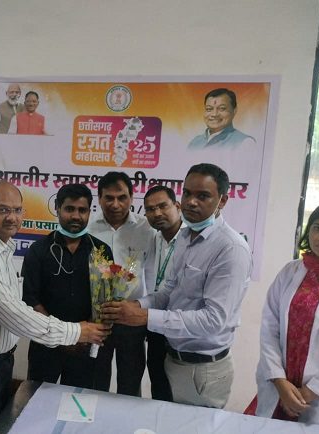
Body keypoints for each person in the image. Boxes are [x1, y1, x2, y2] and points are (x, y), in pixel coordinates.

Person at [0, 180, 111, 434]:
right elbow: (18, 311)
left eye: (17, 210)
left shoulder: (3, 246)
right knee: (23, 416)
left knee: (75, 414)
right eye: (3, 210)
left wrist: (89, 332)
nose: (12, 217)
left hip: (6, 360)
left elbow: (105, 297)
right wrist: (76, 333)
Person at [102, 163, 252, 409]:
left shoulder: (230, 249)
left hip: (203, 368)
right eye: (188, 193)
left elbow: (214, 320)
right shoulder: (185, 237)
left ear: (222, 201)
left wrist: (145, 317)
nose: (192, 202)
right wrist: (136, 305)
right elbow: (169, 292)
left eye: (203, 196)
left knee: (194, 426)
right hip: (174, 358)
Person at [250, 200, 319, 431]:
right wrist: (279, 381)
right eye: (318, 228)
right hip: (281, 390)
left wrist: (310, 392)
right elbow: (269, 328)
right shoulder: (291, 271)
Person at [22, 184, 113, 388]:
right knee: (38, 400)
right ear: (57, 208)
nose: (76, 216)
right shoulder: (38, 251)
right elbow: (30, 299)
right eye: (69, 209)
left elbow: (104, 300)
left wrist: (83, 336)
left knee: (80, 402)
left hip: (86, 346)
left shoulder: (101, 251)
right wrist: (62, 336)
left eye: (82, 210)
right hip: (46, 343)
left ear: (89, 212)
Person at [88, 171, 156, 397]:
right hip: (97, 319)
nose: (115, 204)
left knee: (130, 382)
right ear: (99, 198)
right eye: (109, 198)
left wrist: (141, 308)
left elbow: (153, 277)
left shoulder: (146, 229)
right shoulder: (88, 227)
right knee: (95, 381)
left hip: (132, 318)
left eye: (122, 197)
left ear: (132, 197)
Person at [143, 185, 183, 401]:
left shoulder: (192, 241)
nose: (157, 213)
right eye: (150, 209)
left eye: (162, 206)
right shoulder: (153, 239)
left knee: (180, 396)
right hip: (155, 325)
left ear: (177, 206)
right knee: (158, 388)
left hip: (181, 328)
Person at [188, 88, 255, 149]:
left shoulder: (245, 143)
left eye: (222, 108)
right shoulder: (194, 143)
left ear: (234, 111)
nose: (214, 114)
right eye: (209, 109)